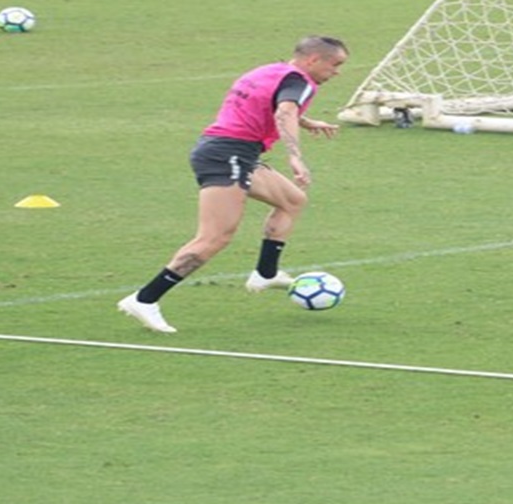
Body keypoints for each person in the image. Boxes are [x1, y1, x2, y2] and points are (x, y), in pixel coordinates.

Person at [118, 35, 349, 333]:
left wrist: (308, 122)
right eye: (335, 65)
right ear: (313, 60)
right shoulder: (302, 82)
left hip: (228, 150)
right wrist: (295, 156)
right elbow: (285, 110)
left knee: (292, 200)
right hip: (227, 155)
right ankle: (144, 299)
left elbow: (270, 104)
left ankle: (265, 273)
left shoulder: (269, 71)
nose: (337, 72)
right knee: (214, 237)